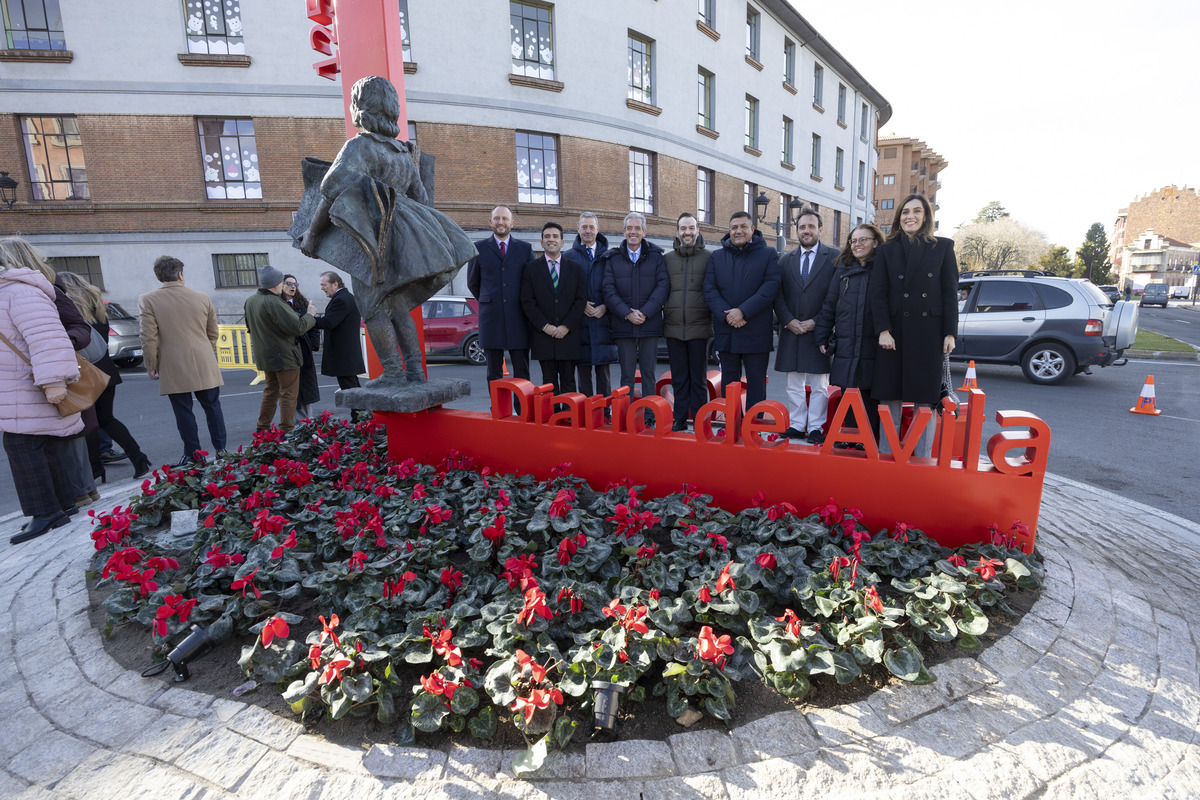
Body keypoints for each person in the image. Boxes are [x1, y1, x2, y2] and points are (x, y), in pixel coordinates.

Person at [296, 76, 474, 388]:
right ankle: (416, 371)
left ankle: (393, 372)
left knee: (373, 307)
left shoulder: (360, 146)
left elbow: (329, 190)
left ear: (360, 108)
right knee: (397, 304)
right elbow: (422, 199)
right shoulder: (405, 153)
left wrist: (312, 233)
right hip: (409, 237)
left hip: (373, 236)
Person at [0, 237, 86, 543]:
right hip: (21, 385)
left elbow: (47, 340)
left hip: (27, 385)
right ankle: (60, 507)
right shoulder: (17, 291)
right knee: (42, 445)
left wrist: (53, 382)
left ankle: (46, 512)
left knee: (21, 445)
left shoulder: (19, 293)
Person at [869, 193, 959, 457]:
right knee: (890, 398)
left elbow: (949, 292)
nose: (910, 216)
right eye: (905, 212)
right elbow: (878, 293)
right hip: (894, 333)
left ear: (926, 216)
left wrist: (950, 332)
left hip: (928, 333)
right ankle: (887, 457)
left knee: (926, 400)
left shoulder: (943, 247)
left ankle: (922, 460)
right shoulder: (887, 250)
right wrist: (883, 329)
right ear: (899, 217)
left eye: (916, 211)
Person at [56, 271, 153, 479]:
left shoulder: (70, 312)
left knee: (87, 422)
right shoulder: (98, 307)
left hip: (83, 372)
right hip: (106, 369)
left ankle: (96, 469)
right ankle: (138, 457)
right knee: (106, 419)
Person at [139, 255, 227, 466]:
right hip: (203, 358)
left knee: (183, 410)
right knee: (212, 406)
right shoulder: (202, 297)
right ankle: (222, 450)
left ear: (159, 276)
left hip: (172, 361)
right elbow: (213, 332)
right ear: (180, 274)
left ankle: (193, 454)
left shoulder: (148, 299)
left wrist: (151, 364)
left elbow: (148, 336)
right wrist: (204, 349)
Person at [29, 250, 100, 506]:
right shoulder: (41, 290)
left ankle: (80, 491)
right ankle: (82, 490)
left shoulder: (49, 291)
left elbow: (80, 327)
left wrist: (62, 344)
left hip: (57, 372)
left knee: (68, 431)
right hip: (47, 371)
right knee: (64, 433)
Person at [813, 223, 885, 447]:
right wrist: (821, 336)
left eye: (863, 240)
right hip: (845, 343)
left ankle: (867, 440)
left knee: (869, 395)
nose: (857, 244)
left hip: (873, 344)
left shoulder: (884, 270)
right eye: (853, 240)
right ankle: (847, 437)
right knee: (847, 391)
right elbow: (829, 306)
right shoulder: (842, 270)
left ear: (876, 242)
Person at [703, 211, 782, 413]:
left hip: (755, 330)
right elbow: (710, 290)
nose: (738, 231)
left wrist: (743, 312)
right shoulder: (717, 256)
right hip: (727, 330)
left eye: (743, 226)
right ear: (729, 231)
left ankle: (753, 426)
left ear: (752, 230)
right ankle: (731, 425)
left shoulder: (768, 254)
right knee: (729, 383)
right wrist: (727, 315)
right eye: (734, 227)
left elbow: (770, 287)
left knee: (756, 382)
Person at [774, 209, 838, 443]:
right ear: (797, 230)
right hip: (791, 330)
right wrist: (788, 320)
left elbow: (835, 297)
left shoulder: (834, 258)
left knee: (819, 385)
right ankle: (797, 424)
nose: (806, 230)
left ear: (820, 229)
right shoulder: (785, 260)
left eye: (811, 226)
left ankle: (815, 428)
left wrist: (818, 322)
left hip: (818, 331)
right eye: (802, 227)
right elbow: (777, 295)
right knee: (793, 384)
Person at [601, 212, 669, 403]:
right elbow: (608, 290)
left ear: (644, 231)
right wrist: (627, 313)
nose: (633, 232)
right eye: (629, 228)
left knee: (649, 374)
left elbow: (662, 287)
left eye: (637, 228)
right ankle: (626, 416)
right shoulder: (612, 258)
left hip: (650, 324)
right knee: (626, 376)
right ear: (623, 231)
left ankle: (649, 415)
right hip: (623, 325)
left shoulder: (656, 256)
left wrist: (645, 312)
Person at [243, 265, 317, 433]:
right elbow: (298, 327)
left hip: (265, 356)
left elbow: (250, 327)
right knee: (288, 395)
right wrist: (310, 314)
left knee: (270, 392)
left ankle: (262, 428)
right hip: (284, 356)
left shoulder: (251, 300)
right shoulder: (275, 302)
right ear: (276, 285)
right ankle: (286, 430)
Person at [467, 205, 534, 386]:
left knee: (522, 370)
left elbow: (531, 283)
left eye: (505, 219)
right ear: (491, 222)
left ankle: (523, 411)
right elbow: (473, 283)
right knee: (494, 372)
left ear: (512, 223)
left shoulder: (525, 249)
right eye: (497, 218)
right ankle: (497, 412)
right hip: (491, 318)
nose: (501, 222)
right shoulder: (478, 248)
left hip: (518, 317)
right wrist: (489, 299)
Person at [520, 222, 587, 394]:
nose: (551, 240)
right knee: (548, 385)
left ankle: (569, 418)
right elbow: (527, 301)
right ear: (541, 242)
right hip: (544, 337)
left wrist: (566, 326)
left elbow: (580, 301)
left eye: (555, 236)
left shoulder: (576, 269)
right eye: (547, 236)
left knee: (569, 383)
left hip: (568, 337)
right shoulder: (530, 269)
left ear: (562, 242)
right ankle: (552, 419)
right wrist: (545, 326)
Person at [663, 212, 713, 431]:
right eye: (683, 228)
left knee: (699, 380)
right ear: (677, 232)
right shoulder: (667, 259)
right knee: (679, 379)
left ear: (697, 230)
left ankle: (701, 420)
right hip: (674, 328)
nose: (687, 232)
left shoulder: (710, 258)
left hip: (699, 328)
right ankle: (680, 418)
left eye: (691, 228)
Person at [562, 212, 617, 397]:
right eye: (584, 227)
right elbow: (562, 290)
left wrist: (606, 306)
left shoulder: (610, 256)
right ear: (578, 229)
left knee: (604, 373)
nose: (588, 231)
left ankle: (606, 412)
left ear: (597, 229)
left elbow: (617, 287)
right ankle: (586, 413)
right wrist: (580, 305)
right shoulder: (567, 257)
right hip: (580, 323)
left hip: (603, 322)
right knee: (583, 373)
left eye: (591, 227)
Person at [314, 270, 367, 420]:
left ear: (335, 284)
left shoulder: (341, 299)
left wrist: (309, 318)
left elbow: (329, 322)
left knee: (350, 389)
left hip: (343, 355)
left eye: (324, 285)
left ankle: (359, 420)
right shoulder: (346, 297)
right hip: (347, 354)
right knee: (353, 387)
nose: (322, 288)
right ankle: (361, 418)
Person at [282, 273, 321, 419]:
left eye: (295, 284)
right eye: (289, 283)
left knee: (306, 388)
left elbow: (314, 326)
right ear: (281, 285)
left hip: (304, 352)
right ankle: (297, 423)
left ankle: (308, 422)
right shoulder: (279, 305)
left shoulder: (303, 305)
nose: (293, 287)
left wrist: (312, 345)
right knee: (292, 390)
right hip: (289, 352)